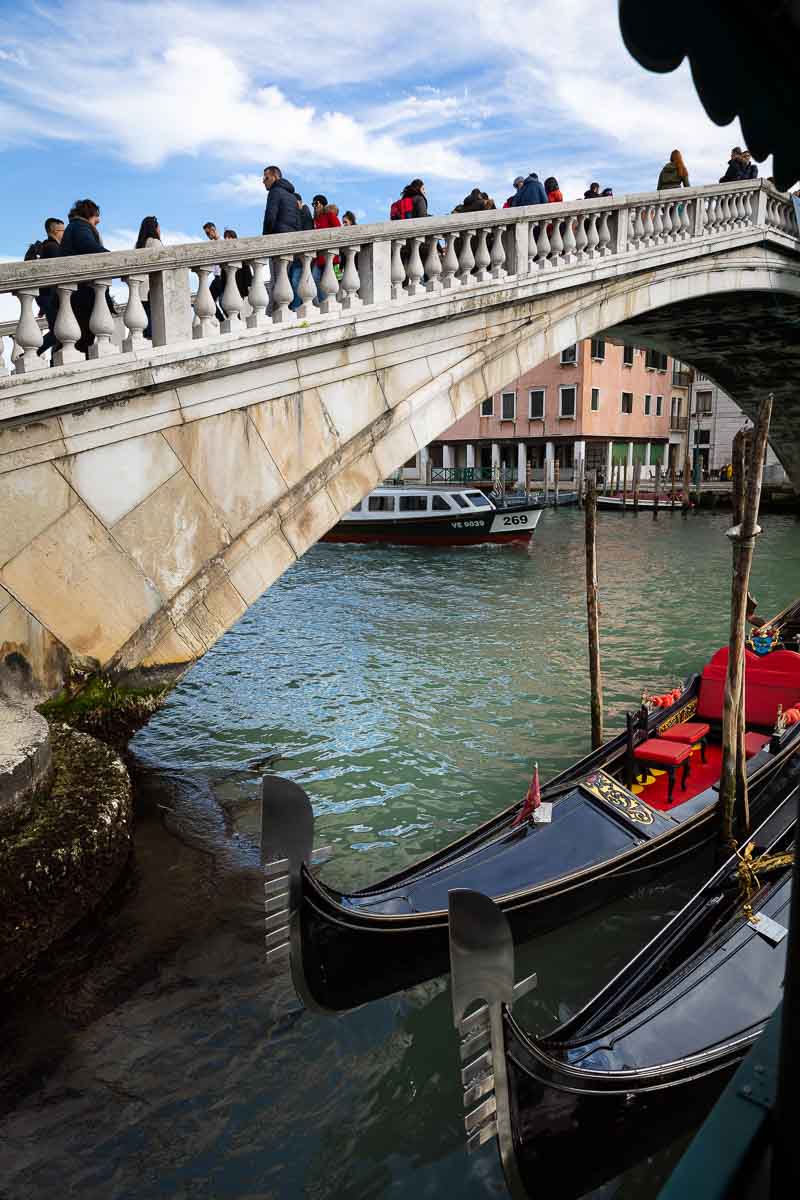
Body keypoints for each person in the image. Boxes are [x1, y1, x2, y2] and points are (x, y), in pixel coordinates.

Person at [59, 199, 110, 353]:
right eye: (97, 215)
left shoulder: (74, 226)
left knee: (80, 337)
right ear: (90, 214)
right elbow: (89, 247)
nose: (99, 220)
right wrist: (111, 256)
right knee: (83, 338)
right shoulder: (80, 227)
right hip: (82, 292)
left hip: (77, 292)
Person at [26, 218, 64, 357]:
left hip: (45, 296)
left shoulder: (45, 247)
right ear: (55, 231)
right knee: (58, 331)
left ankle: (52, 359)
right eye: (62, 231)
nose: (64, 234)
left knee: (59, 331)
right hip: (50, 296)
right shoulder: (53, 248)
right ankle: (30, 355)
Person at [135, 216, 163, 339]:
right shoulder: (155, 242)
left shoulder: (139, 245)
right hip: (151, 290)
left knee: (145, 327)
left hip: (139, 290)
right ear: (155, 228)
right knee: (154, 327)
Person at [311, 195, 341, 298]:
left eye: (315, 204)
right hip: (319, 257)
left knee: (326, 280)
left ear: (321, 204)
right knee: (315, 278)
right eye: (313, 204)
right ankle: (322, 302)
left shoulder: (329, 215)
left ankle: (326, 302)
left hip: (329, 256)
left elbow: (338, 230)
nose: (314, 206)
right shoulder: (315, 219)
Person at [262, 165, 300, 236]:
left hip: (278, 236)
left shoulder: (274, 191)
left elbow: (270, 218)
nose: (263, 181)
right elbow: (298, 221)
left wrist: (265, 236)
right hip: (293, 236)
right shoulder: (293, 196)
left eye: (266, 177)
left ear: (275, 177)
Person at [203, 221, 226, 321]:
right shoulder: (211, 245)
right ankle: (221, 320)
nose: (207, 236)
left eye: (208, 233)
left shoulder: (223, 242)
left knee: (223, 301)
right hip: (217, 277)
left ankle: (228, 319)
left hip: (222, 277)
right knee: (208, 300)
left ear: (213, 229)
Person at [223, 229, 253, 300]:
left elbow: (246, 269)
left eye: (229, 237)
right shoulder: (224, 253)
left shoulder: (240, 252)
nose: (226, 239)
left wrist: (249, 284)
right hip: (229, 285)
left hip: (240, 284)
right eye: (225, 237)